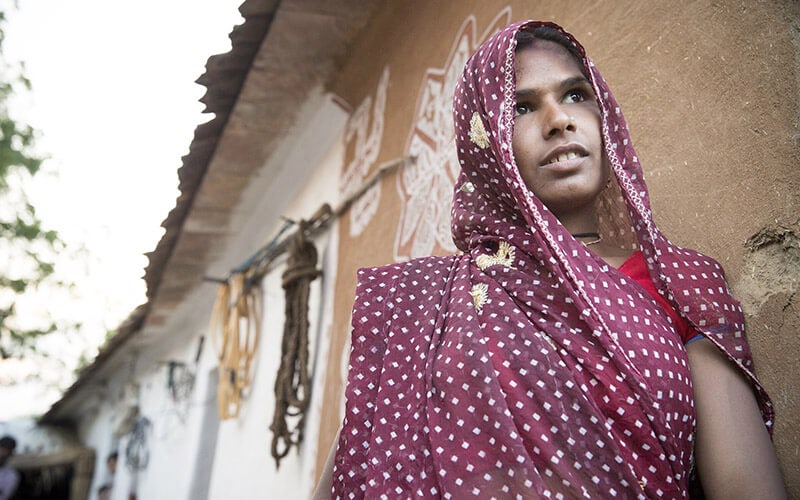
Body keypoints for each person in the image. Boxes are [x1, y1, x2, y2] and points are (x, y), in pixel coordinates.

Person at [317, 20, 786, 498]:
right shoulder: (424, 307)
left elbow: (745, 484)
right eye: (522, 106)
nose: (559, 120)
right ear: (485, 143)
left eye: (577, 96)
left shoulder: (681, 282)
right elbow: (356, 471)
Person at [0, 436, 20, 500]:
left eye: (6, 450)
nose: (2, 453)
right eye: (2, 448)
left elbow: (4, 497)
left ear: (11, 454)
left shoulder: (12, 475)